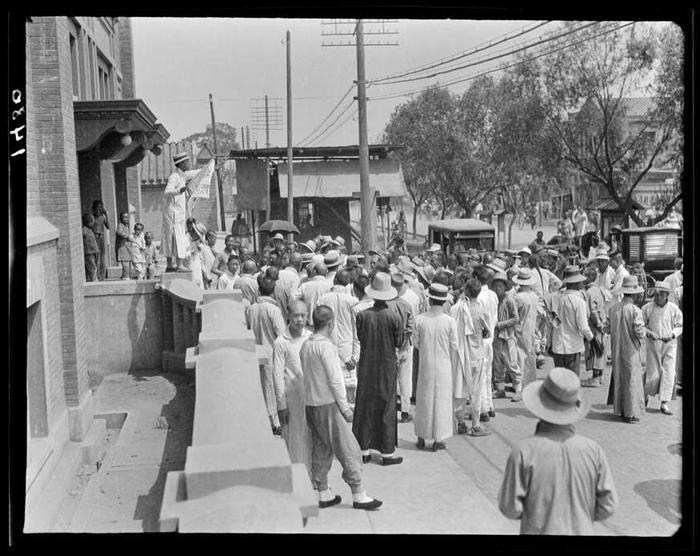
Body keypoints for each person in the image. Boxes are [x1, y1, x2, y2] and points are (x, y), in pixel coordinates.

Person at [498, 367, 618, 535]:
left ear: (540, 404)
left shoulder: (523, 452)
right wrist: (580, 517)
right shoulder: (593, 451)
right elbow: (608, 505)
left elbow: (510, 508)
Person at [300, 305, 383, 511]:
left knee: (321, 447)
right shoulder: (326, 346)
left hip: (311, 403)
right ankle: (358, 493)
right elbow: (335, 379)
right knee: (348, 449)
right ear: (331, 323)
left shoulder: (306, 345)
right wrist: (345, 407)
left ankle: (323, 491)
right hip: (328, 404)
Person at [353, 272, 404, 465]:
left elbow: (360, 337)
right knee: (387, 406)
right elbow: (399, 341)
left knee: (365, 405)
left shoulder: (362, 316)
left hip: (367, 363)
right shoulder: (393, 316)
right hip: (387, 364)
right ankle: (387, 452)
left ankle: (363, 450)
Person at [413, 283, 458, 451]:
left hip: (426, 364)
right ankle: (438, 438)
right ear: (444, 301)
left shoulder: (420, 319)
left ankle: (421, 436)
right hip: (443, 365)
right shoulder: (449, 321)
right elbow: (454, 345)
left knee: (424, 399)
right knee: (442, 400)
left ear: (430, 299)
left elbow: (416, 344)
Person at [273, 300, 313, 471]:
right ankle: (297, 477)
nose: (299, 319)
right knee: (293, 438)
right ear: (288, 316)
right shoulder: (281, 342)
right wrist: (281, 405)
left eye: (303, 315)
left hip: (311, 397)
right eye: (295, 315)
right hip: (292, 399)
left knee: (311, 437)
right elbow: (277, 374)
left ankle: (316, 478)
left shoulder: (311, 337)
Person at [246, 276, 286, 434]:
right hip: (272, 353)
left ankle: (270, 420)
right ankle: (276, 422)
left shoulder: (251, 308)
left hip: (257, 351)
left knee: (264, 386)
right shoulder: (273, 310)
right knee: (274, 387)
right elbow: (282, 334)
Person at [606, 275, 646, 423]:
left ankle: (621, 410)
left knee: (620, 378)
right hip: (631, 350)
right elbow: (639, 332)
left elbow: (607, 328)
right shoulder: (635, 310)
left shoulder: (613, 308)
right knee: (631, 380)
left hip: (616, 349)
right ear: (634, 293)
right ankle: (630, 413)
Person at [317, 269, 359, 404]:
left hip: (327, 344)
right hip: (347, 347)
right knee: (349, 385)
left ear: (335, 280)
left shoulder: (323, 299)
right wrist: (355, 356)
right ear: (348, 284)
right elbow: (356, 330)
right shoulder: (353, 301)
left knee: (329, 380)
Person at [642, 281, 683, 416]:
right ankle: (645, 397)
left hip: (669, 344)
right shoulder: (647, 308)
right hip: (653, 343)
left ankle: (664, 403)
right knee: (652, 371)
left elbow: (680, 325)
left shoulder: (673, 309)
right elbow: (641, 325)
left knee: (668, 372)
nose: (657, 297)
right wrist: (648, 332)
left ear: (666, 295)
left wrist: (672, 334)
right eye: (656, 294)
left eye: (660, 295)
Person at [549, 266, 594, 376]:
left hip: (558, 344)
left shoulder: (556, 298)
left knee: (559, 381)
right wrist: (591, 339)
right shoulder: (579, 302)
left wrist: (550, 342)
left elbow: (552, 322)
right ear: (576, 283)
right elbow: (583, 326)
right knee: (572, 381)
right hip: (572, 346)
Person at [162, 151, 200, 272]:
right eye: (187, 161)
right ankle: (178, 265)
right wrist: (180, 190)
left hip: (178, 213)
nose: (189, 163)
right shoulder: (174, 176)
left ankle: (172, 265)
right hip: (173, 213)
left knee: (174, 237)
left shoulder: (183, 175)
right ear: (181, 163)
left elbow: (197, 173)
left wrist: (211, 167)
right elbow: (167, 191)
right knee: (175, 237)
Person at [387, 272, 416, 424]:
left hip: (389, 348)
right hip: (405, 347)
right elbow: (411, 328)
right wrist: (403, 343)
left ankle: (390, 410)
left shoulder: (385, 305)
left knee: (390, 380)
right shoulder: (406, 305)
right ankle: (405, 412)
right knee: (405, 380)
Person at [491, 272, 523, 402]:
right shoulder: (494, 300)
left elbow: (516, 318)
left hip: (508, 337)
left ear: (505, 287)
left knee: (512, 364)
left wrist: (500, 324)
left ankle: (519, 390)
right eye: (496, 286)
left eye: (500, 286)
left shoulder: (509, 300)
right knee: (498, 364)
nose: (498, 288)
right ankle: (500, 389)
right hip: (497, 337)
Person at [450, 274, 474, 434]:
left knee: (456, 385)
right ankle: (459, 420)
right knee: (461, 386)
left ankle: (456, 419)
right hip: (464, 351)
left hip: (456, 351)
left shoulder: (456, 309)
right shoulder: (465, 309)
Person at [475, 264, 498, 421]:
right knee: (488, 373)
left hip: (482, 338)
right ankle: (489, 405)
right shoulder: (492, 295)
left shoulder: (479, 298)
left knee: (481, 375)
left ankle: (483, 409)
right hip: (491, 336)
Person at [513, 268, 539, 389]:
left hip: (520, 328)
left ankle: (519, 385)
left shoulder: (518, 297)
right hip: (531, 327)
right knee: (530, 354)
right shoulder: (534, 296)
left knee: (520, 356)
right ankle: (530, 381)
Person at [581, 267, 607, 388]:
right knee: (600, 350)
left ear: (589, 278)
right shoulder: (597, 289)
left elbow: (592, 311)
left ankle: (595, 378)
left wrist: (597, 324)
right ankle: (600, 376)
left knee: (594, 350)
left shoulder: (590, 292)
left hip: (594, 325)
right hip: (600, 323)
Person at [300, 262, 332, 327]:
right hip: (324, 325)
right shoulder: (330, 286)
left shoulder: (304, 286)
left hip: (307, 324)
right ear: (326, 272)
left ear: (314, 271)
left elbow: (292, 298)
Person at [275, 252, 303, 322]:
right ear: (299, 265)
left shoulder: (278, 273)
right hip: (285, 317)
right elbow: (293, 298)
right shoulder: (295, 278)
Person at [91, 200, 109, 280]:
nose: (98, 210)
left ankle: (101, 275)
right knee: (96, 256)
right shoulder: (92, 217)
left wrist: (106, 215)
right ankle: (96, 274)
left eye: (100, 208)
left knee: (101, 256)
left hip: (101, 237)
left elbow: (108, 226)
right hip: (94, 237)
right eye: (97, 208)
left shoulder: (103, 217)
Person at [115, 211, 133, 280]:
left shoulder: (126, 225)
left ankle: (126, 274)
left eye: (127, 217)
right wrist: (128, 236)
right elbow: (119, 232)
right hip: (123, 246)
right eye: (124, 217)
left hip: (127, 246)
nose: (126, 219)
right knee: (125, 261)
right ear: (121, 218)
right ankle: (126, 276)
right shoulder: (120, 225)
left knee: (128, 261)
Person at [82, 213, 99, 282]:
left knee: (94, 267)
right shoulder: (84, 230)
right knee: (92, 268)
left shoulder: (90, 230)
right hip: (89, 252)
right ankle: (94, 281)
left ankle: (94, 280)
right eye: (92, 221)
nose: (93, 222)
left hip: (94, 251)